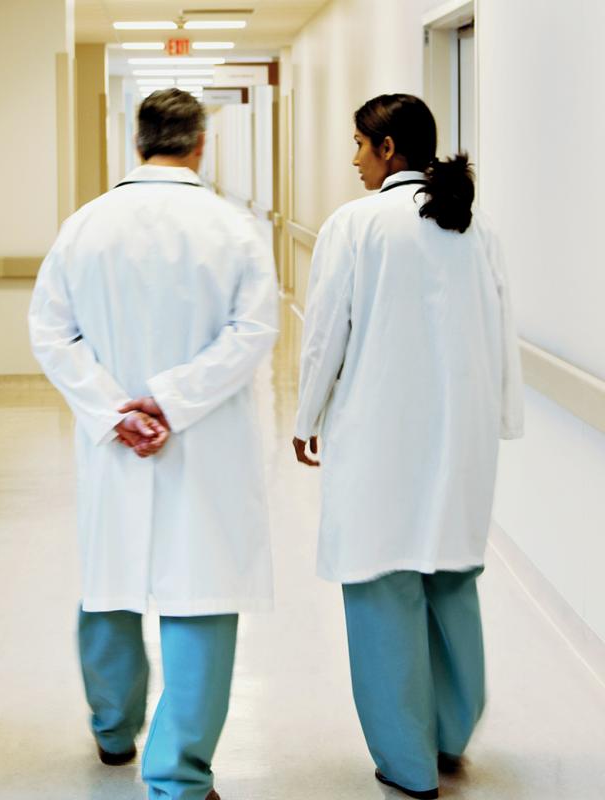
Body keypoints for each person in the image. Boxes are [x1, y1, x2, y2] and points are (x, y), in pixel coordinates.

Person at [28, 88, 278, 800]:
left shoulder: (84, 226)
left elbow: (49, 331)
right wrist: (171, 399)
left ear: (136, 143)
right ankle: (179, 774)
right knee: (200, 593)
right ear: (201, 144)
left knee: (110, 581)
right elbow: (254, 332)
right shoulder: (232, 229)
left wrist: (116, 409)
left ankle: (113, 732)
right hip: (203, 445)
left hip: (114, 444)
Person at [292, 93, 524, 799]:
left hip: (377, 438)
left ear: (389, 148)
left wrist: (306, 417)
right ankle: (451, 734)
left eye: (360, 145)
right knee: (451, 578)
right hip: (461, 437)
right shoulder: (474, 226)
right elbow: (502, 329)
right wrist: (501, 418)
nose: (354, 159)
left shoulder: (356, 224)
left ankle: (408, 760)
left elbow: (326, 330)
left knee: (383, 587)